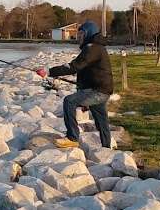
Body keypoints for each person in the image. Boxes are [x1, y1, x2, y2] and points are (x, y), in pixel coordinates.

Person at [36, 20, 113, 148]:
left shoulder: (92, 48)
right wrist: (83, 98)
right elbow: (85, 73)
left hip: (97, 91)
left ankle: (72, 138)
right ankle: (107, 148)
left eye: (82, 34)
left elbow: (74, 67)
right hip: (101, 89)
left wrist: (49, 71)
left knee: (69, 101)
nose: (79, 38)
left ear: (89, 34)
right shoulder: (97, 48)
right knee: (101, 121)